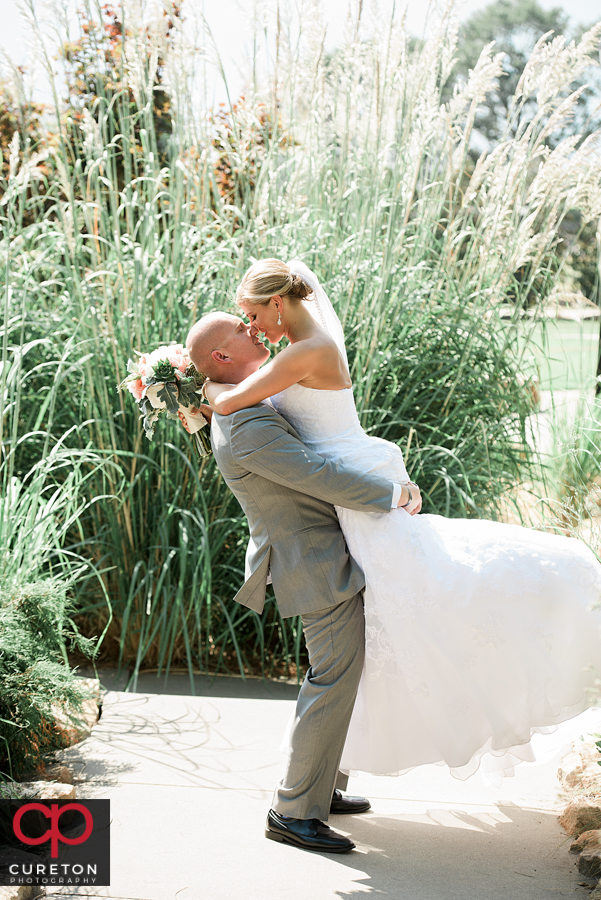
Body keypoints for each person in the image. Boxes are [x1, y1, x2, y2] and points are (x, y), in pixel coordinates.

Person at [202, 257, 601, 784]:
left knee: (426, 604)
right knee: (375, 636)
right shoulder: (301, 348)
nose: (251, 326)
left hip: (352, 487)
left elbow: (231, 398)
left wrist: (194, 385)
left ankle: (316, 786)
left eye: (252, 314)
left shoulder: (308, 351)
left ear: (278, 302)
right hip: (342, 489)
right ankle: (324, 780)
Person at [186, 312, 419, 853]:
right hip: (309, 559)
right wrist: (394, 494)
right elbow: (316, 476)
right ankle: (293, 811)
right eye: (242, 332)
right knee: (333, 674)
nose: (256, 330)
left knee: (337, 671)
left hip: (316, 551)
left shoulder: (234, 398)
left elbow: (222, 388)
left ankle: (321, 786)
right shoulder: (244, 428)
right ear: (221, 357)